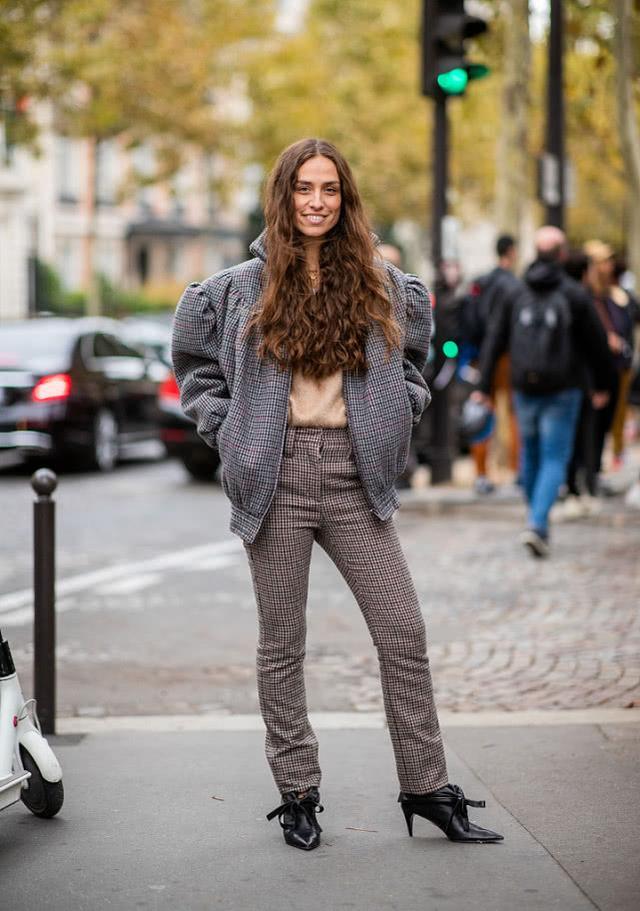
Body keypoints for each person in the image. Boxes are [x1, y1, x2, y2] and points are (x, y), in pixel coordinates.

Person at [171, 138, 502, 851]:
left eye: (330, 189)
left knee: (403, 632)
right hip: (276, 473)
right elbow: (194, 369)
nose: (317, 201)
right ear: (283, 195)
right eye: (304, 188)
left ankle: (426, 786)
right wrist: (230, 432)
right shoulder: (236, 290)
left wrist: (400, 410)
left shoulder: (386, 285)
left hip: (357, 478)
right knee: (282, 645)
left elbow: (416, 364)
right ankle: (297, 793)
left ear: (346, 199)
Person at [474, 226, 612, 558]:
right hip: (564, 388)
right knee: (554, 457)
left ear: (534, 251)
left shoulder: (515, 291)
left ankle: (536, 520)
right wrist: (604, 384)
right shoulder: (575, 294)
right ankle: (537, 523)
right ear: (563, 254)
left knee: (531, 456)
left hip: (524, 385)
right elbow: (597, 344)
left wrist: (484, 386)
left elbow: (495, 339)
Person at [457, 234, 521, 494]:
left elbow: (468, 319)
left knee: (481, 411)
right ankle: (518, 472)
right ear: (512, 251)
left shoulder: (480, 283)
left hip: (481, 356)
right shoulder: (515, 285)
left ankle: (481, 474)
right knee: (516, 413)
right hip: (509, 355)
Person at [583, 241, 634, 482]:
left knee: (609, 419)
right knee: (593, 422)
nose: (608, 266)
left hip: (615, 365)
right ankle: (589, 471)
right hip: (596, 367)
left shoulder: (612, 294)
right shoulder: (587, 294)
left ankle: (597, 468)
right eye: (602, 262)